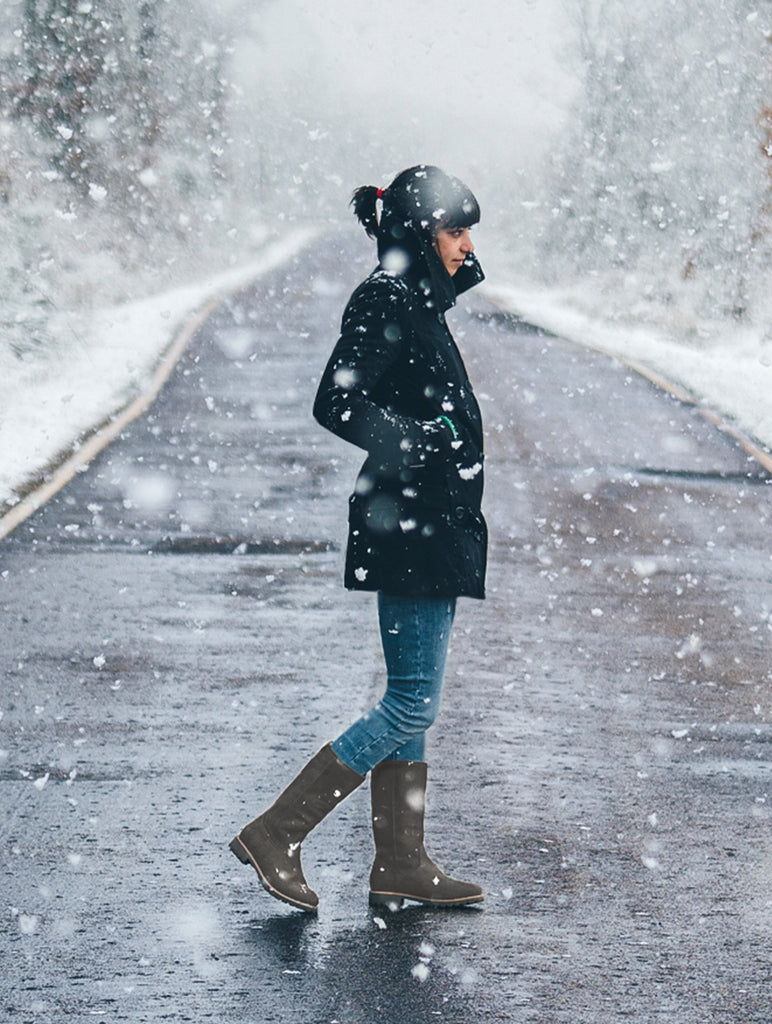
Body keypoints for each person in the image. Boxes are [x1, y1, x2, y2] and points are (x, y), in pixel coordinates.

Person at [229, 165, 488, 912]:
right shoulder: (387, 298)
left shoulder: (417, 299)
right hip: (408, 521)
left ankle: (401, 861)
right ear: (418, 233)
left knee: (411, 697)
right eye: (456, 230)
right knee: (410, 703)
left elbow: (435, 301)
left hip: (428, 523)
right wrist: (420, 441)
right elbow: (334, 401)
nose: (466, 245)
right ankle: (278, 832)